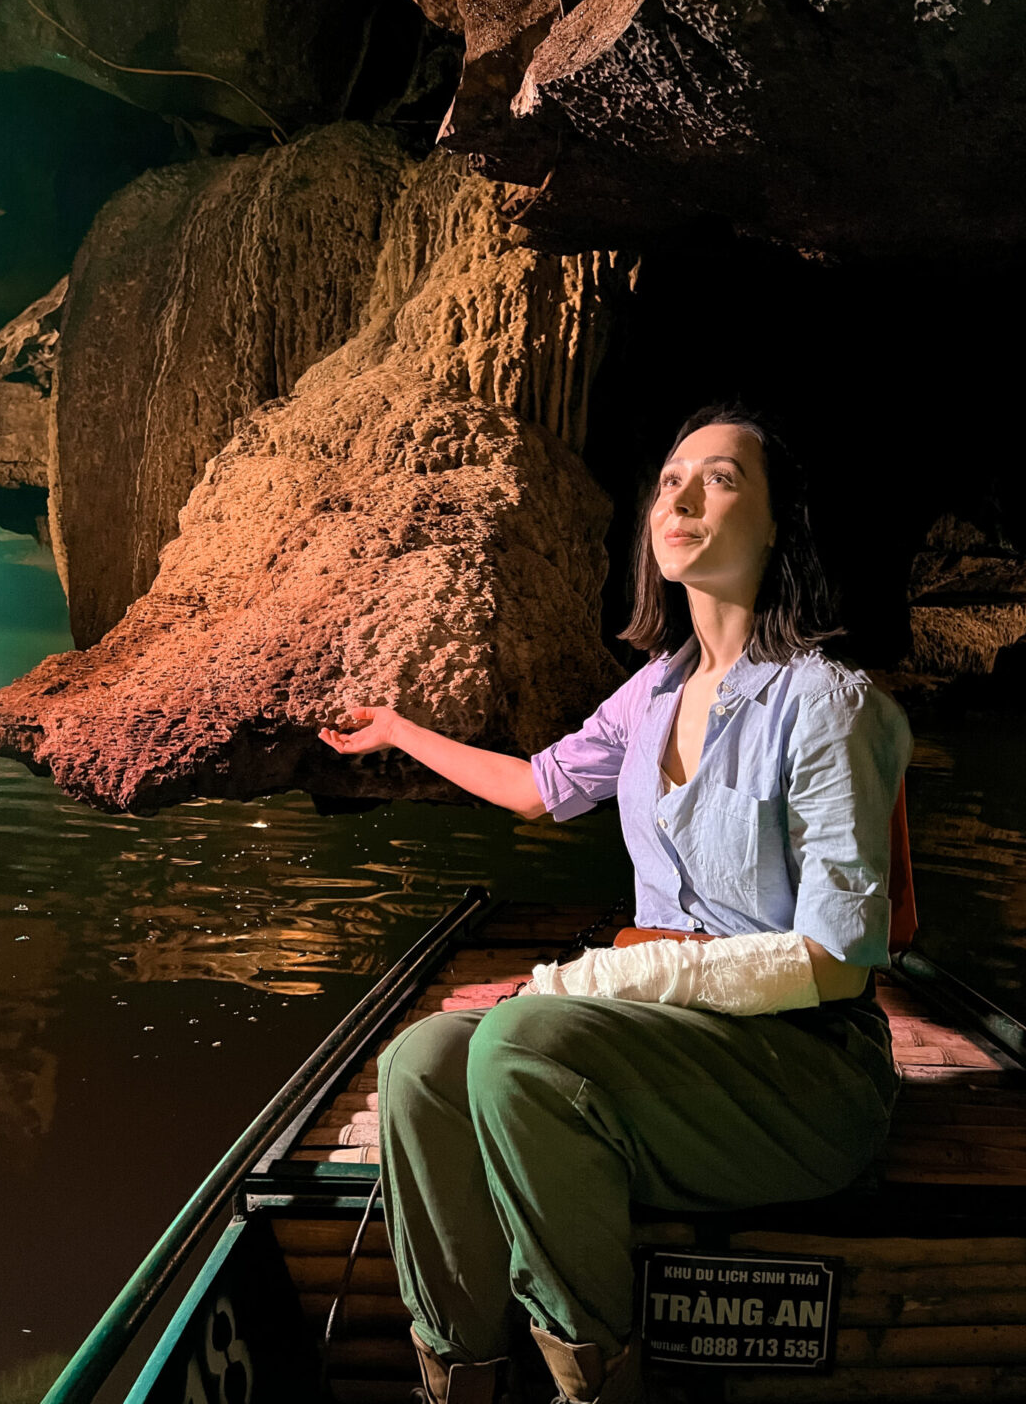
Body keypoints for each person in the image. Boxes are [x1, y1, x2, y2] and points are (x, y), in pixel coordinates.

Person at [318, 404, 913, 1404]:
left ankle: (594, 1384)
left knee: (521, 1043)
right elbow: (536, 787)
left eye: (720, 479)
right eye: (671, 478)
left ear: (778, 527)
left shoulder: (829, 706)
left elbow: (836, 960)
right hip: (661, 1039)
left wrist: (586, 979)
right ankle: (460, 1378)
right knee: (420, 1063)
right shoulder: (653, 693)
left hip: (803, 1071)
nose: (678, 495)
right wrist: (400, 730)